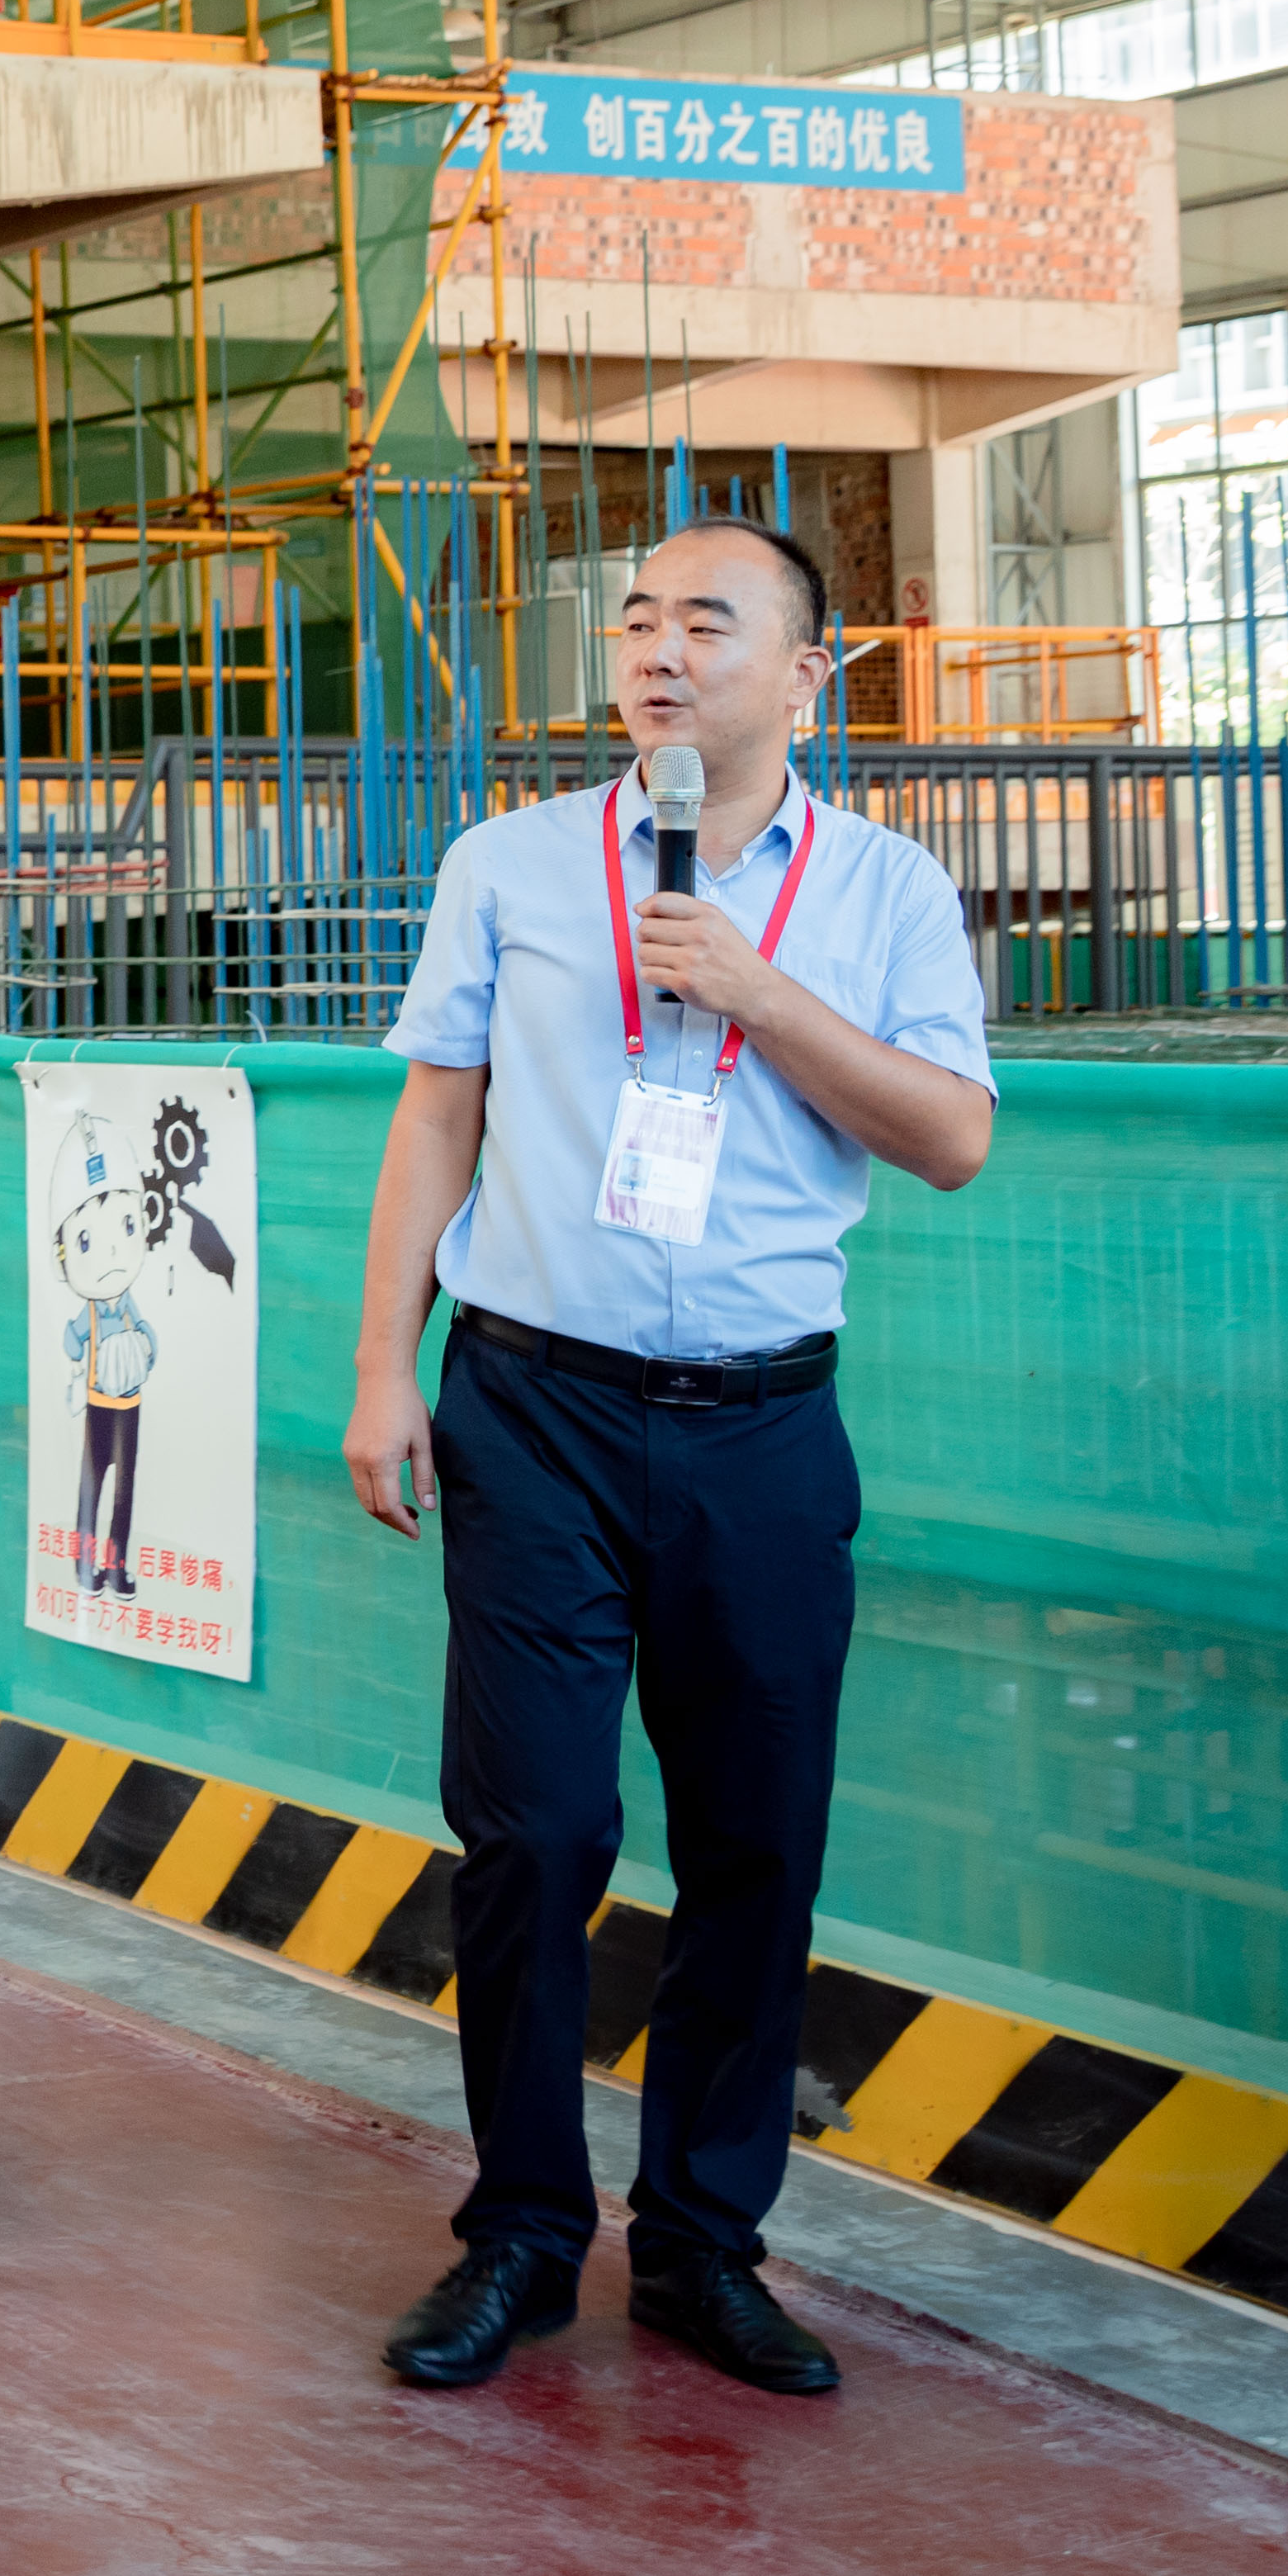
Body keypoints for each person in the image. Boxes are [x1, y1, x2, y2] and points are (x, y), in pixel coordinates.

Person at [347, 514, 997, 2405]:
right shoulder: (512, 863)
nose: (657, 644)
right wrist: (387, 1365)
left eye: (708, 617)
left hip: (764, 1428)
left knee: (754, 1850)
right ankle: (524, 2235)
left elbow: (953, 1135)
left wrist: (765, 991)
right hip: (532, 1402)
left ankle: (707, 2242)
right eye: (634, 614)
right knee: (536, 1831)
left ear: (809, 672)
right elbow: (438, 1112)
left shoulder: (881, 890)